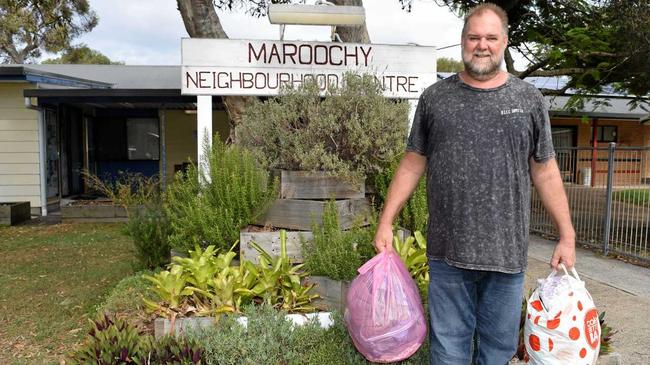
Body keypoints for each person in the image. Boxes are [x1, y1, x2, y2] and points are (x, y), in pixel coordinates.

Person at [373, 3, 576, 364]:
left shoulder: (528, 100)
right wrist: (386, 221)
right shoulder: (436, 99)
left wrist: (567, 235)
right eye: (474, 37)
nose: (481, 45)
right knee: (448, 351)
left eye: (490, 38)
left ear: (504, 42)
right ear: (463, 41)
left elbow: (545, 171)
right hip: (448, 254)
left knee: (496, 353)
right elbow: (412, 164)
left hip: (507, 256)